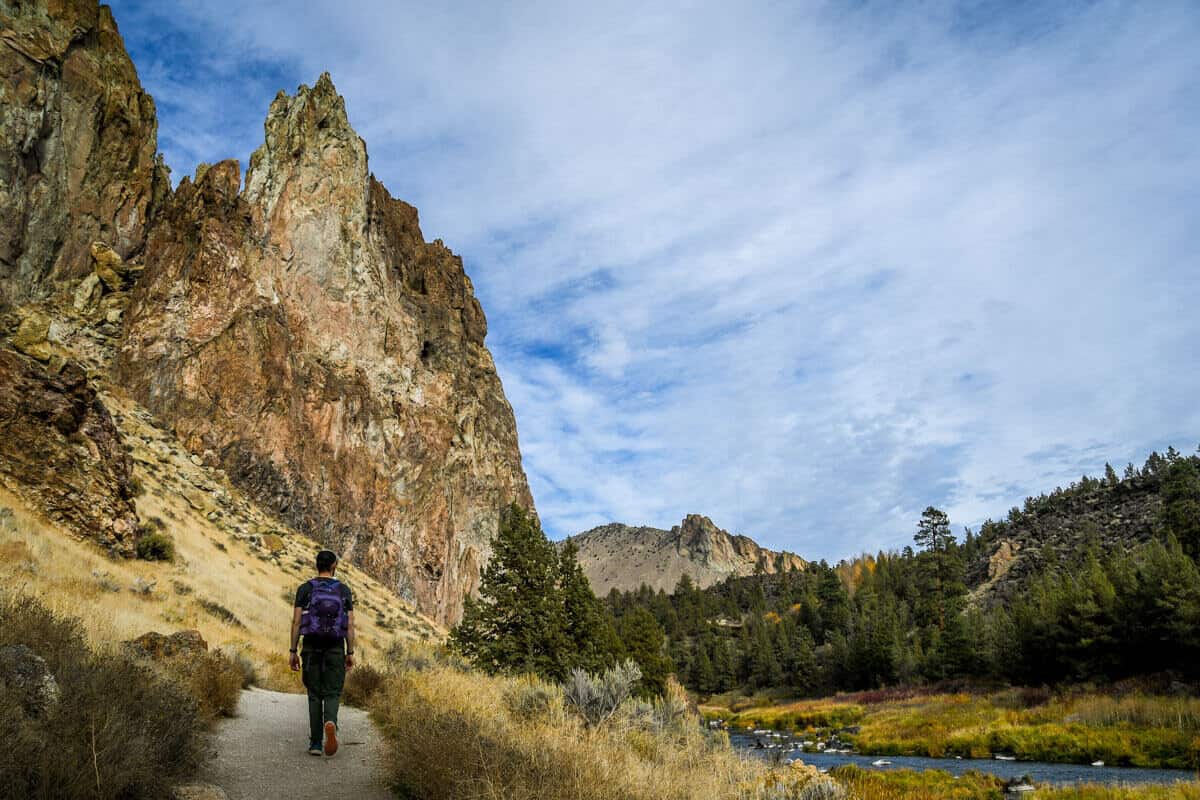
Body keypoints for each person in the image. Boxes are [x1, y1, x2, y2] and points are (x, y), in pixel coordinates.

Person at [290, 549, 356, 756]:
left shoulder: (305, 589)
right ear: (334, 566)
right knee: (333, 692)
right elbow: (351, 625)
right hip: (336, 647)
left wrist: (293, 650)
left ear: (316, 565)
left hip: (311, 647)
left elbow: (297, 622)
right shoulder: (344, 591)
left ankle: (316, 743)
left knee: (314, 694)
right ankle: (331, 722)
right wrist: (350, 652)